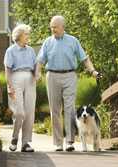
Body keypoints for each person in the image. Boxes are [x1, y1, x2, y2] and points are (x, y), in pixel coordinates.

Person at [36, 15, 99, 151]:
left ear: (63, 27)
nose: (53, 29)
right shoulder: (47, 42)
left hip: (70, 75)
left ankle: (70, 141)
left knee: (70, 109)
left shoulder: (72, 41)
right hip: (52, 75)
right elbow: (40, 60)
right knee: (55, 110)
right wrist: (38, 72)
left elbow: (84, 58)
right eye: (51, 27)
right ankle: (58, 143)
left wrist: (93, 71)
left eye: (55, 27)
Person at [4, 24, 37, 152]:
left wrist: (36, 74)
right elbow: (7, 69)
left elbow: (35, 66)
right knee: (19, 112)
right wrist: (9, 86)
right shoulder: (10, 50)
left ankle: (25, 143)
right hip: (16, 78)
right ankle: (14, 138)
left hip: (30, 79)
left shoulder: (31, 50)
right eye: (26, 34)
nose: (28, 36)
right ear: (19, 36)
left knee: (29, 113)